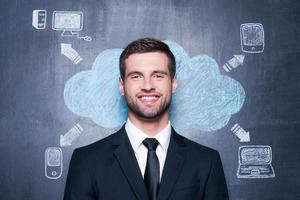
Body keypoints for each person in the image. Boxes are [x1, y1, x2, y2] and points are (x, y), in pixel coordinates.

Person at [63, 38, 229, 200]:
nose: (148, 85)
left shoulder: (207, 162)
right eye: (136, 76)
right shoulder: (87, 161)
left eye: (158, 75)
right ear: (122, 85)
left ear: (174, 83)